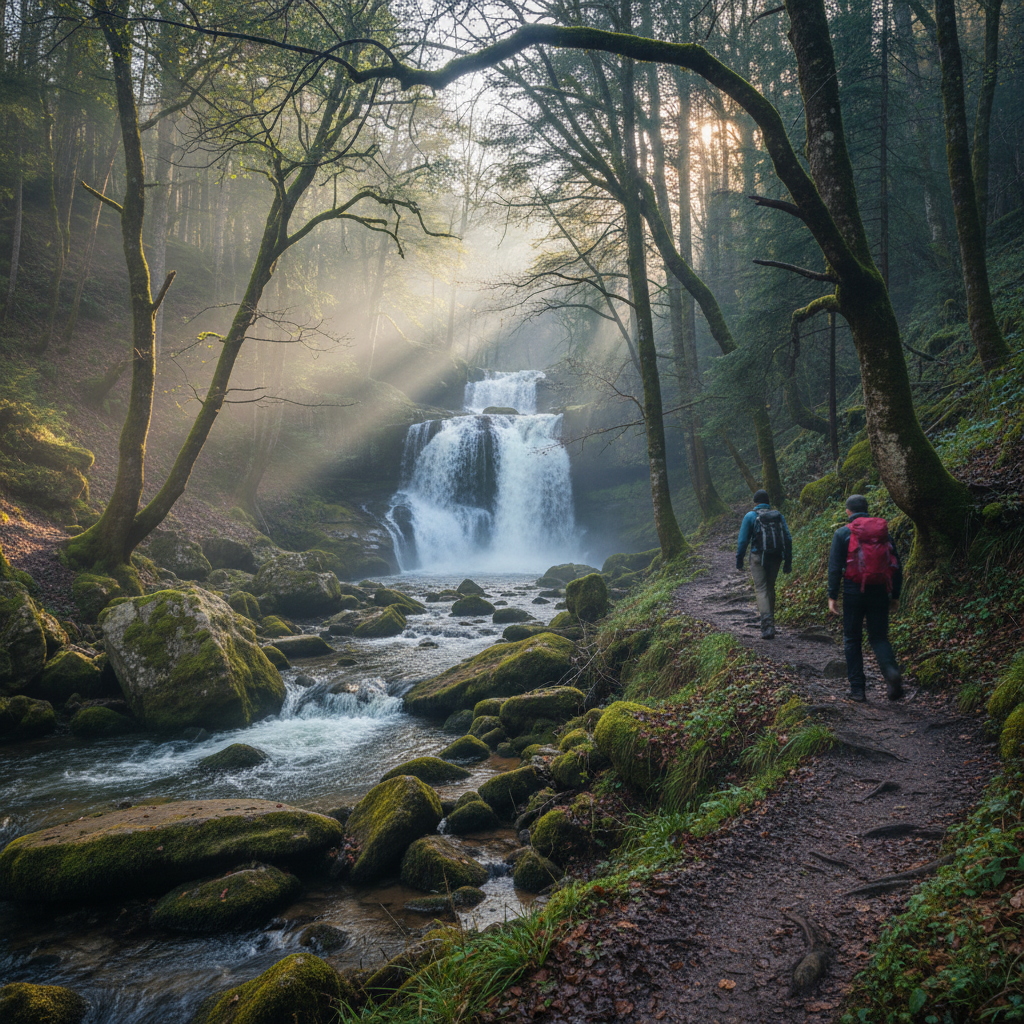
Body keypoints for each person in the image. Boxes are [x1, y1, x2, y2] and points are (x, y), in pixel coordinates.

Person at [827, 494, 904, 702]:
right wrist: (895, 595)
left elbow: (835, 568)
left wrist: (832, 596)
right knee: (879, 637)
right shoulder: (883, 534)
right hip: (879, 591)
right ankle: (891, 673)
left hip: (853, 591)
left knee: (852, 638)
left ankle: (858, 690)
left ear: (848, 512)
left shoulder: (842, 533)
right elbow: (896, 566)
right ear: (867, 509)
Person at [736, 489, 792, 639]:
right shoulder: (777, 515)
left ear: (755, 502)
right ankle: (770, 622)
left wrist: (739, 560)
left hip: (757, 557)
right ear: (768, 502)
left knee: (761, 589)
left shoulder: (750, 516)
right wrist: (788, 560)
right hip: (775, 556)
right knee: (770, 587)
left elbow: (742, 541)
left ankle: (767, 626)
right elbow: (788, 538)